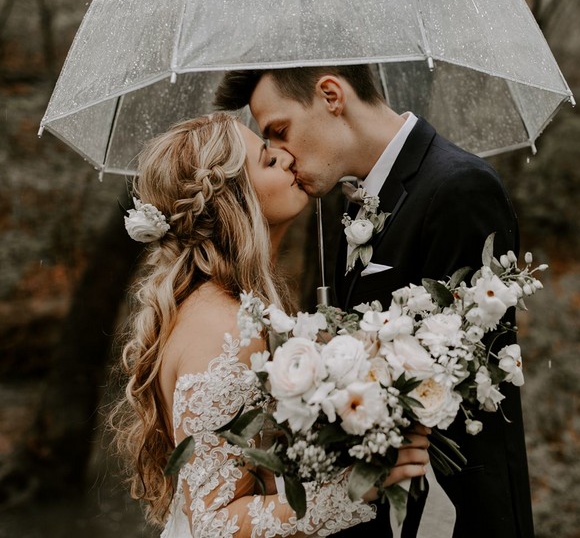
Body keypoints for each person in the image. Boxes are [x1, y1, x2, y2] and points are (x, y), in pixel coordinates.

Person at [213, 66, 536, 538]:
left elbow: (475, 399)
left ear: (330, 95)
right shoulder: (354, 207)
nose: (281, 154)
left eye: (280, 131)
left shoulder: (460, 188)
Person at [110, 113, 431, 538]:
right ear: (233, 200)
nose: (284, 156)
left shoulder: (235, 306)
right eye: (266, 159)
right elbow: (213, 521)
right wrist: (354, 489)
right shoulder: (223, 329)